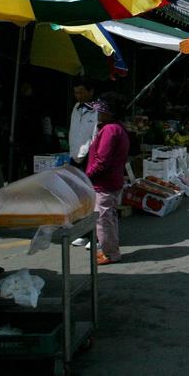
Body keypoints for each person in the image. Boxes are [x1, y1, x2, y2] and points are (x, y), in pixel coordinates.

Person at [86, 92, 130, 265]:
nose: (97, 113)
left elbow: (102, 161)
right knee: (109, 218)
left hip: (105, 183)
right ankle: (110, 251)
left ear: (108, 112)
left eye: (100, 110)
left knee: (104, 220)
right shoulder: (116, 128)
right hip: (112, 181)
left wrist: (86, 176)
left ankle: (110, 254)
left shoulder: (110, 130)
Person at [69, 77, 98, 168]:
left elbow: (96, 135)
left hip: (90, 156)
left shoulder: (98, 109)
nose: (78, 96)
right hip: (74, 155)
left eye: (81, 92)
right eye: (76, 92)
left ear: (91, 91)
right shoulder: (76, 107)